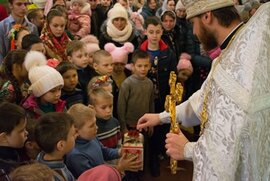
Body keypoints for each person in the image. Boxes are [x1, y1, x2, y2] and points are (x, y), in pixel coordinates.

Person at [137, 1, 270, 180]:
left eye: (193, 23)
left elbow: (231, 146)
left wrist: (188, 149)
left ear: (207, 16)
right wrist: (162, 117)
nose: (193, 32)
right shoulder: (238, 50)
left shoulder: (240, 68)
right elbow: (205, 99)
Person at [139, 16, 177, 177]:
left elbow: (173, 74)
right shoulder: (140, 51)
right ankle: (151, 156)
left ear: (162, 32)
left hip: (162, 96)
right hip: (145, 96)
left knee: (161, 124)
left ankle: (161, 151)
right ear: (146, 32)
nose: (154, 35)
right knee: (148, 127)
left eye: (157, 32)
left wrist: (172, 95)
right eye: (151, 32)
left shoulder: (168, 52)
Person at [66, 103, 140, 178]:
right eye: (92, 125)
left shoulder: (92, 137)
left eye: (95, 123)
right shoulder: (75, 155)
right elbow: (94, 178)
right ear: (76, 131)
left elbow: (104, 152)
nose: (97, 127)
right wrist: (119, 168)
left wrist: (120, 151)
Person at [118, 50, 154, 133]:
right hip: (130, 125)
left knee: (145, 145)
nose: (143, 69)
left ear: (149, 66)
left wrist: (151, 124)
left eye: (146, 66)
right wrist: (123, 127)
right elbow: (121, 107)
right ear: (133, 66)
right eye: (139, 66)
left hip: (145, 124)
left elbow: (151, 104)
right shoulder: (127, 84)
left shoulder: (150, 83)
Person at [22, 54, 65, 119]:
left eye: (59, 89)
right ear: (40, 91)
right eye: (53, 91)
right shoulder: (30, 110)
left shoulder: (60, 105)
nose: (58, 94)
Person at [35, 112, 76, 181]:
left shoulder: (40, 155)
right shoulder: (61, 177)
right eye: (73, 134)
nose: (76, 136)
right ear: (61, 145)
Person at [0, 102, 28, 174]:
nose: (26, 133)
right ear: (3, 138)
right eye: (22, 130)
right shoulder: (7, 171)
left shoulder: (14, 148)